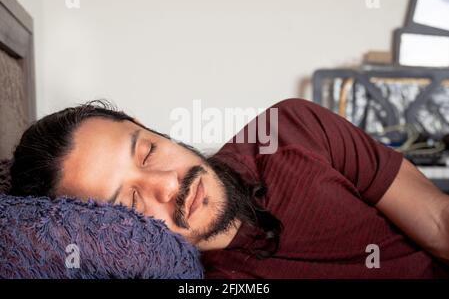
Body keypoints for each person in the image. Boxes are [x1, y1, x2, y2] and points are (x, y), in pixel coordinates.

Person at [9, 98, 449, 278]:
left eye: (147, 153)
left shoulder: (291, 129)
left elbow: (437, 221)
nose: (168, 185)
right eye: (128, 201)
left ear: (149, 129)